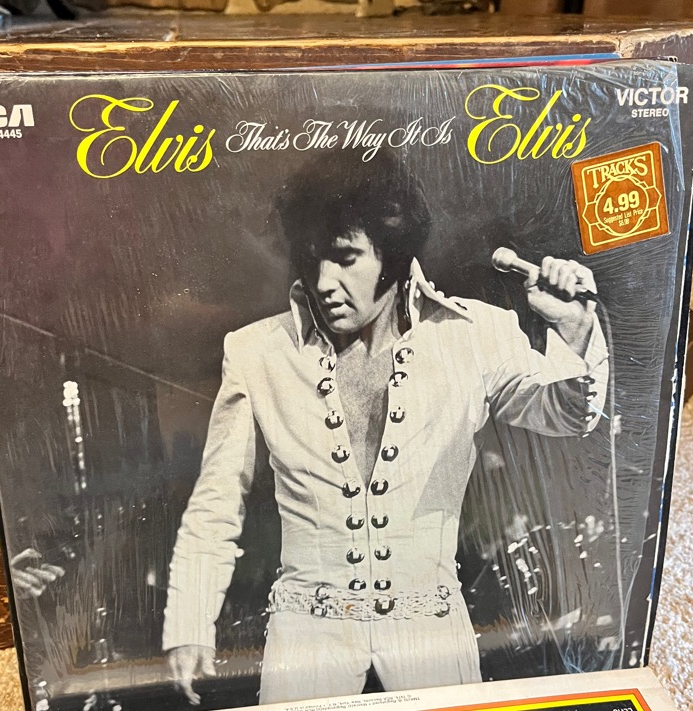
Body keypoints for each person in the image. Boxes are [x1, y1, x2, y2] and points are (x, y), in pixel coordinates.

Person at [163, 149, 608, 705]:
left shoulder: (472, 335)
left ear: (392, 253)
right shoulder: (257, 353)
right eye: (312, 259)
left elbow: (568, 414)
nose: (324, 281)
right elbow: (216, 500)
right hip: (307, 630)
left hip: (432, 626)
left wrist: (575, 329)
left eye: (345, 258)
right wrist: (189, 623)